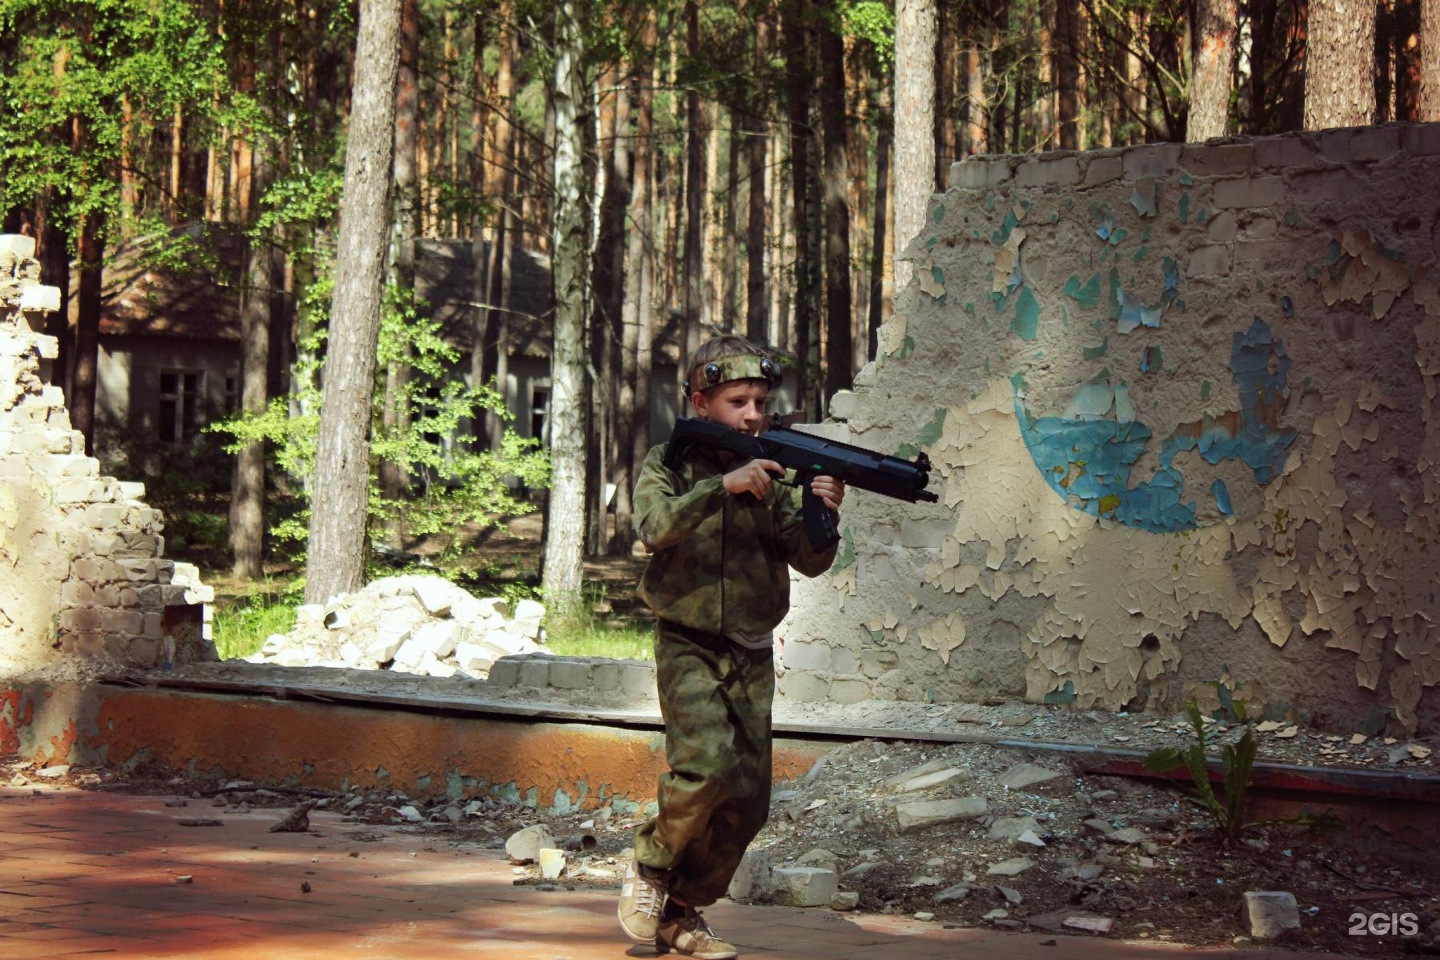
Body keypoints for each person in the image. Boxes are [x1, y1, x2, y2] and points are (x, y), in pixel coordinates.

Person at [618, 336, 844, 960]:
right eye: (737, 401)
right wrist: (723, 486)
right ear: (701, 402)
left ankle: (681, 912)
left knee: (747, 801)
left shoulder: (776, 475)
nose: (753, 414)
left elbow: (810, 560)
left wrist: (824, 515)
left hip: (751, 649)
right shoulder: (670, 463)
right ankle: (649, 869)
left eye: (761, 402)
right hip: (688, 641)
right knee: (705, 768)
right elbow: (653, 529)